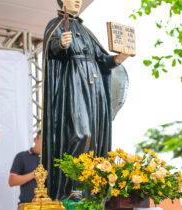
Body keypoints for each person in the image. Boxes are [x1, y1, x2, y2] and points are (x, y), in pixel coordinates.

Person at [41, 0, 129, 200]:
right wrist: (59, 44)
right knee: (81, 134)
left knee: (95, 139)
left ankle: (88, 189)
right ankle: (70, 188)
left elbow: (102, 61)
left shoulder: (86, 31)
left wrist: (118, 59)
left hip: (93, 88)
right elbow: (51, 51)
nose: (78, 1)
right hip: (73, 84)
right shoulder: (55, 25)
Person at [9, 131, 41, 204]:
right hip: (28, 205)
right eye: (43, 141)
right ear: (35, 139)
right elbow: (12, 181)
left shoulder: (53, 159)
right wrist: (34, 174)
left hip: (50, 205)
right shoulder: (22, 156)